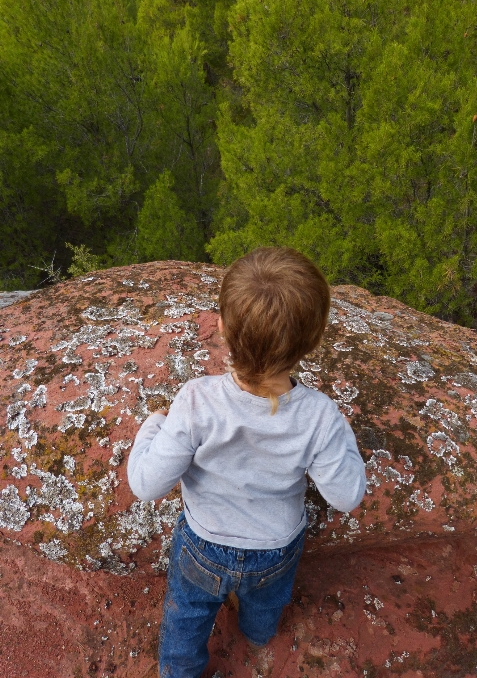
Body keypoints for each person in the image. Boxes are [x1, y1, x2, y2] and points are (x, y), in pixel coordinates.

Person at [128, 246, 366, 678]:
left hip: (202, 545)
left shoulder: (196, 400)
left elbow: (145, 484)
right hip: (275, 548)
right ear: (313, 339)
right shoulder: (319, 415)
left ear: (221, 328)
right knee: (266, 604)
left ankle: (179, 671)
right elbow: (348, 495)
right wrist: (339, 432)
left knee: (186, 617)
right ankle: (257, 634)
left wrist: (153, 425)